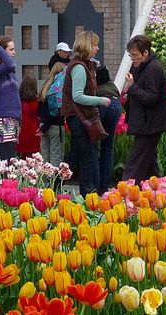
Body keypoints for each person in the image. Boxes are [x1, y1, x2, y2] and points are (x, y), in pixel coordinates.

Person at [62, 31, 112, 196]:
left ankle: (85, 193)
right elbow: (77, 96)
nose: (97, 48)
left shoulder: (83, 65)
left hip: (80, 117)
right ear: (86, 46)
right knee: (87, 158)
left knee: (82, 156)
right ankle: (87, 196)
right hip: (79, 117)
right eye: (95, 45)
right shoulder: (79, 67)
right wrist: (100, 100)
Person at [121, 34, 166, 184]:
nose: (132, 58)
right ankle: (157, 193)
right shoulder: (141, 67)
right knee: (149, 164)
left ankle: (123, 194)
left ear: (145, 53)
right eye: (130, 55)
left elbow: (151, 98)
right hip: (146, 123)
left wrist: (132, 87)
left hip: (150, 125)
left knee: (134, 164)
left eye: (135, 55)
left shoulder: (153, 69)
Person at [0, 36, 21, 160]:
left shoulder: (9, 73)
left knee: (10, 155)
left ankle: (6, 179)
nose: (14, 52)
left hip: (12, 117)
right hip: (3, 118)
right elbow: (11, 65)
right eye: (11, 49)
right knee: (7, 156)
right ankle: (5, 180)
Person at [96, 64, 122, 194]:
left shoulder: (95, 86)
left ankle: (95, 183)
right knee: (108, 147)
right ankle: (104, 186)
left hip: (101, 103)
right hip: (115, 104)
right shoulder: (111, 85)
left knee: (94, 146)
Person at [38, 62, 67, 172]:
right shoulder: (58, 90)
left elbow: (40, 109)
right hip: (56, 126)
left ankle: (44, 185)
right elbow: (55, 112)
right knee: (56, 159)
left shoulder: (45, 87)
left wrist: (43, 126)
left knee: (44, 158)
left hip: (43, 126)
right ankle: (53, 186)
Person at [18, 75, 41, 158]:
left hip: (21, 134)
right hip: (35, 134)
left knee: (23, 159)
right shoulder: (38, 103)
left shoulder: (18, 103)